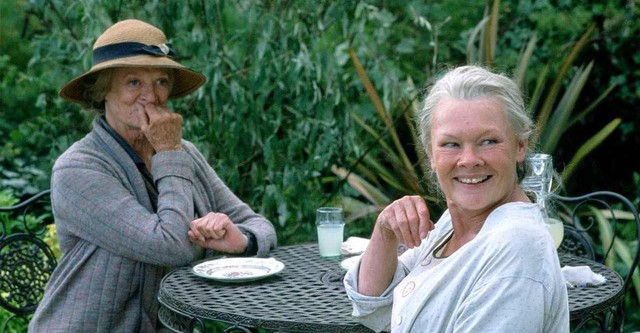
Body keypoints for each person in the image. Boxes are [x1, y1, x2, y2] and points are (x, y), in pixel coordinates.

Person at [28, 19, 277, 332]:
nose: (151, 96)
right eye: (133, 82)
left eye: (160, 81)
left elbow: (261, 226)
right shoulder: (78, 168)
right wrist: (169, 154)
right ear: (103, 90)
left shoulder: (182, 151)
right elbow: (171, 246)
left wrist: (241, 240)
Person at [343, 65, 569, 332]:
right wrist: (384, 231)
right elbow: (373, 307)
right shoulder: (457, 221)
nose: (469, 160)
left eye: (488, 141)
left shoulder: (515, 246)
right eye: (451, 144)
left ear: (520, 146)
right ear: (430, 153)